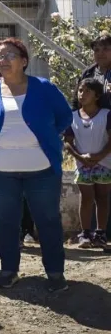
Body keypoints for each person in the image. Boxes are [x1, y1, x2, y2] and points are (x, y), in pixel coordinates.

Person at [0, 38, 73, 291]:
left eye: (10, 55)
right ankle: (9, 270)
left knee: (47, 220)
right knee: (6, 221)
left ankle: (55, 273)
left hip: (42, 170)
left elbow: (64, 117)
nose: (3, 60)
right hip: (0, 172)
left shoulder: (44, 88)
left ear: (24, 61)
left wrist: (43, 138)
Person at [64, 78, 111, 249]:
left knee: (102, 198)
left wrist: (99, 156)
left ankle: (100, 233)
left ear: (97, 96)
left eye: (87, 91)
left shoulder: (106, 115)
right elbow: (68, 142)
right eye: (80, 91)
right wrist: (80, 157)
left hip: (105, 163)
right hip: (83, 165)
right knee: (86, 197)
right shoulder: (72, 117)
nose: (82, 94)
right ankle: (85, 234)